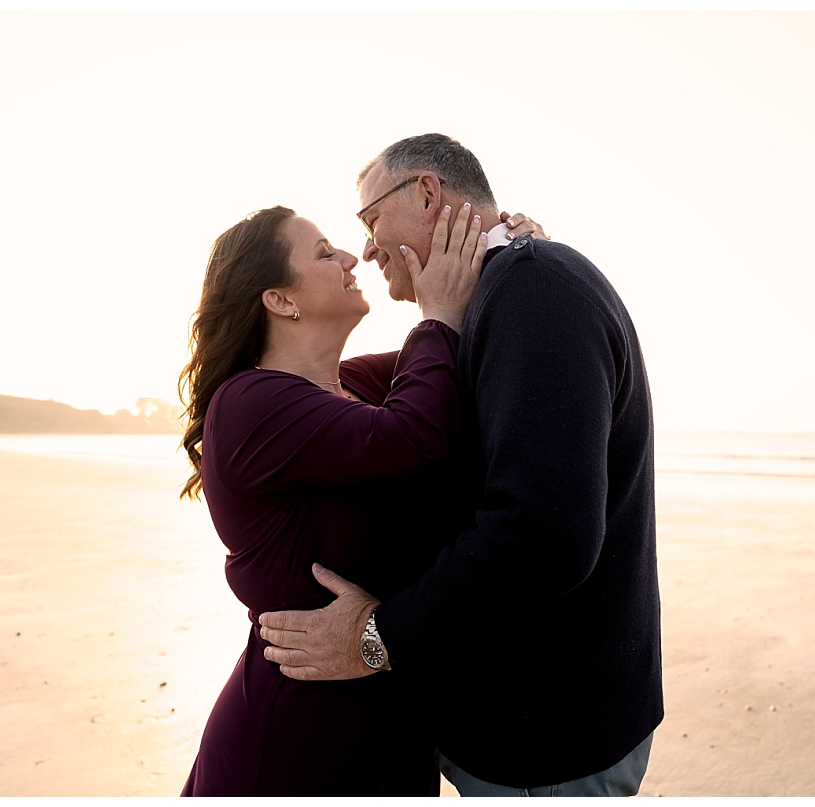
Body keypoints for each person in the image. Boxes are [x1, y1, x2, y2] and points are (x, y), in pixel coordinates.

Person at [259, 133, 664, 797]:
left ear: (426, 193)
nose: (365, 247)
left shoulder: (534, 290)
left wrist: (376, 637)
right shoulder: (499, 297)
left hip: (546, 745)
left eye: (369, 220)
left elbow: (544, 534)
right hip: (517, 730)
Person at [177, 203, 545, 796]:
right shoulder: (249, 403)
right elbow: (418, 433)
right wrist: (436, 313)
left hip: (391, 729)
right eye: (324, 253)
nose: (352, 257)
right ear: (279, 300)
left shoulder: (358, 387)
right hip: (297, 743)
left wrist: (514, 255)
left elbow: (471, 357)